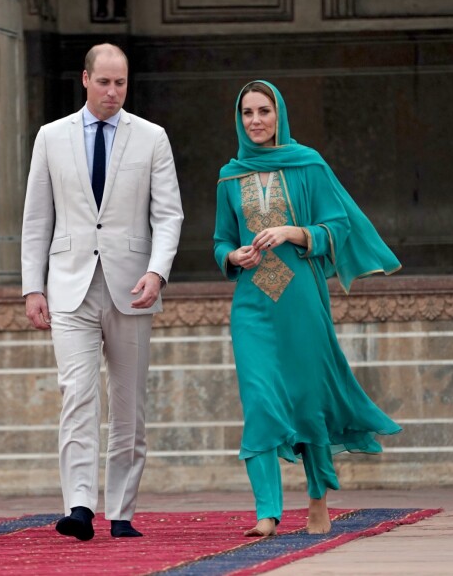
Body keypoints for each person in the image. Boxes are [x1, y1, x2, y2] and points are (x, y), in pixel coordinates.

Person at [213, 80, 402, 537]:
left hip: (301, 300)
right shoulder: (229, 176)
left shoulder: (307, 164)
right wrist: (232, 257)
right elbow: (221, 238)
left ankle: (317, 500)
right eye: (247, 113)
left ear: (279, 115)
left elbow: (335, 224)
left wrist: (292, 233)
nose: (255, 121)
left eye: (264, 111)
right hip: (252, 305)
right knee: (259, 402)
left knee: (307, 400)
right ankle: (267, 512)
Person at [21, 43, 183, 541]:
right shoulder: (51, 137)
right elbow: (36, 219)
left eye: (122, 83)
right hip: (68, 286)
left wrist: (156, 273)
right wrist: (32, 287)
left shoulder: (152, 138)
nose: (114, 92)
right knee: (78, 395)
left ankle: (122, 511)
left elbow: (168, 214)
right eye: (105, 82)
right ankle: (79, 506)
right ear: (85, 80)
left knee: (128, 404)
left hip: (131, 287)